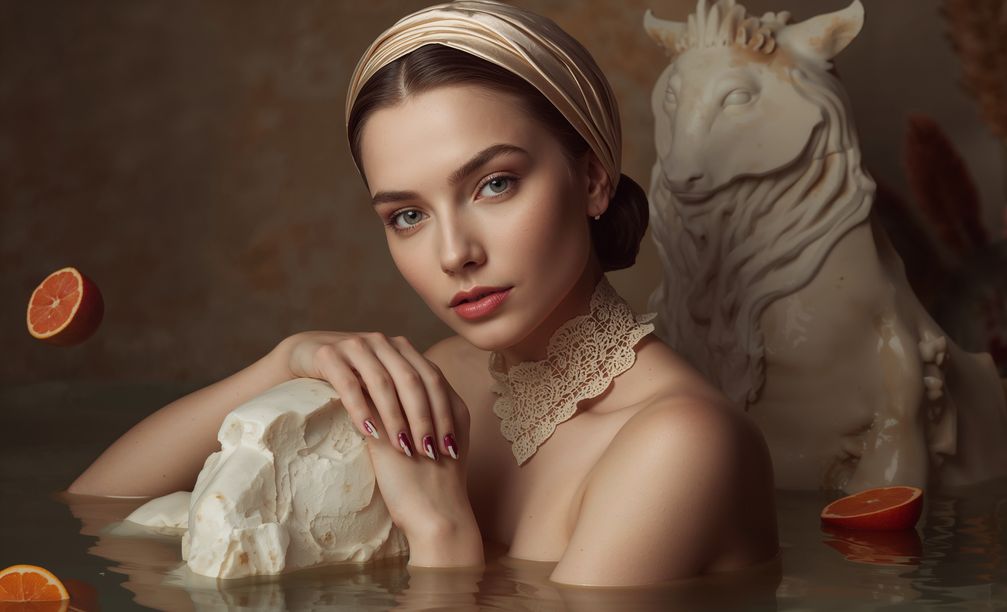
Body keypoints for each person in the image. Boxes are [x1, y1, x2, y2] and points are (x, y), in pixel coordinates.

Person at [69, 0, 778, 587]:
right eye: (408, 215)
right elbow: (97, 512)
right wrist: (287, 360)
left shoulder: (682, 442)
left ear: (592, 179)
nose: (453, 254)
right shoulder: (445, 379)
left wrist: (442, 539)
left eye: (494, 183)